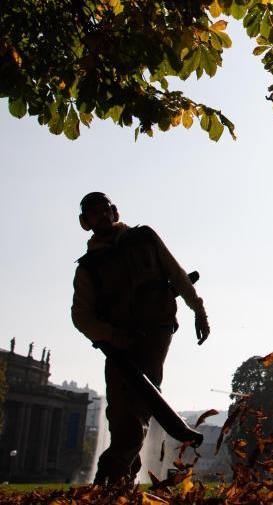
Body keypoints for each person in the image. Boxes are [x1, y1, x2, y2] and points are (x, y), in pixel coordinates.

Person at [71, 192, 210, 485]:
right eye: (94, 213)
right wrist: (113, 337)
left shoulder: (145, 238)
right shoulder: (88, 267)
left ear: (115, 211)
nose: (102, 216)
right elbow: (81, 317)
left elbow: (176, 273)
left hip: (155, 333)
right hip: (117, 344)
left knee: (138, 405)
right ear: (85, 222)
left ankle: (110, 474)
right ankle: (123, 481)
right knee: (119, 411)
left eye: (105, 209)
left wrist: (199, 309)